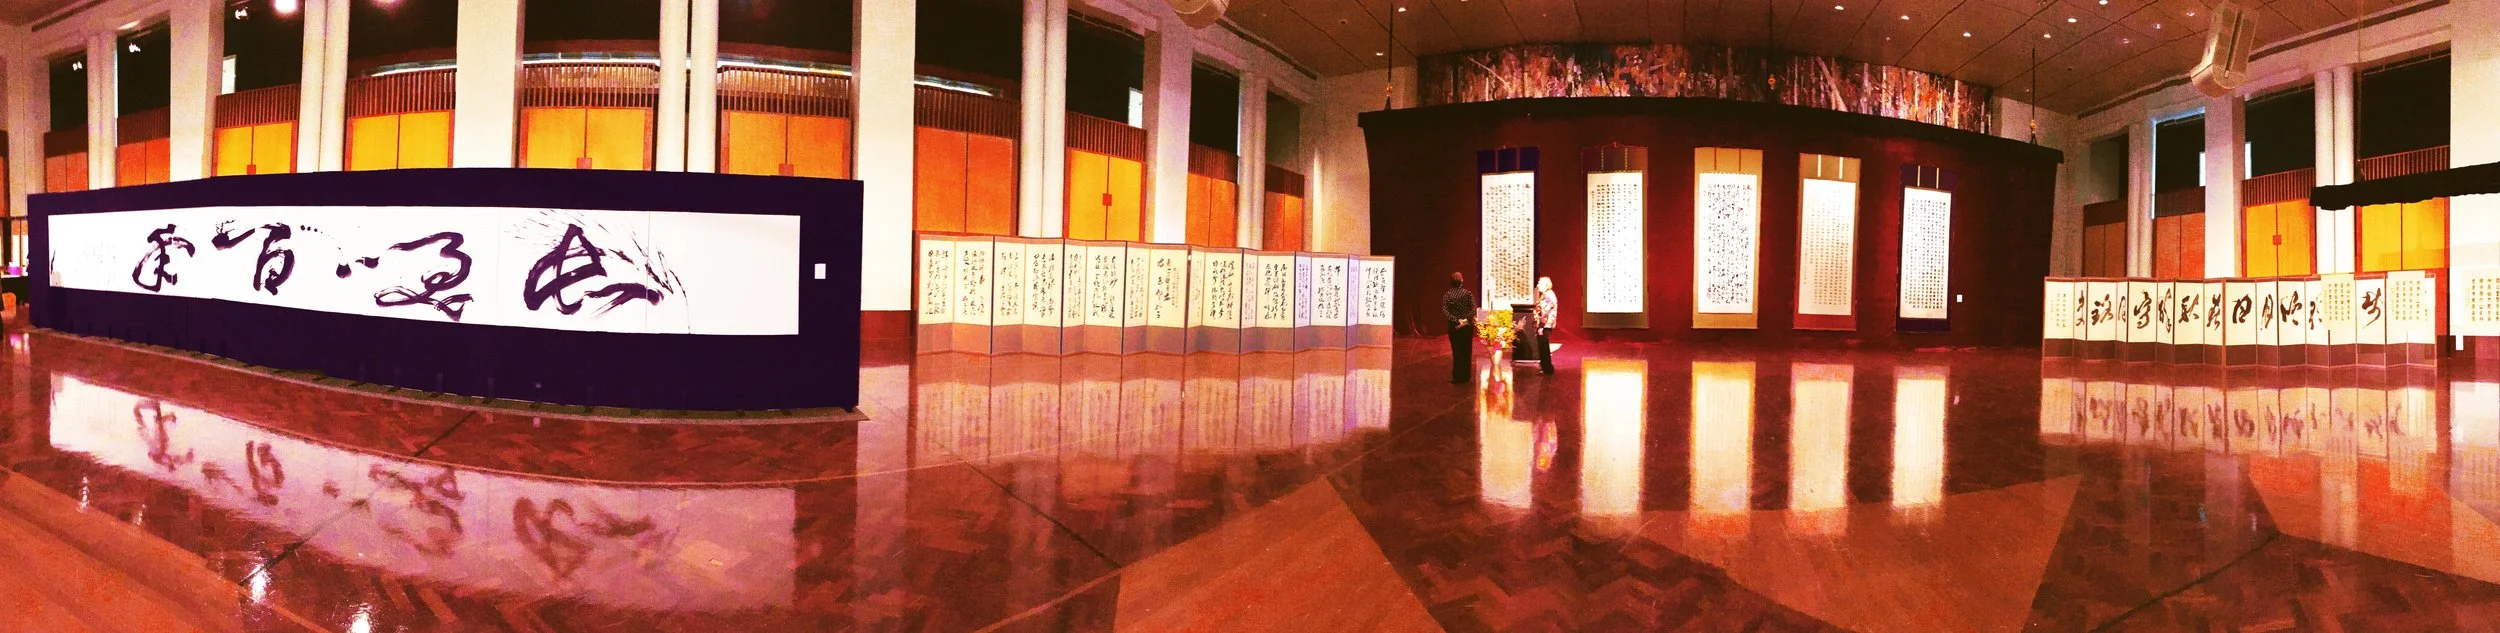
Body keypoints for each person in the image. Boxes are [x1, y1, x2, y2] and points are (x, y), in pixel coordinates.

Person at [1443, 272, 1476, 384]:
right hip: (1467, 326)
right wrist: (1465, 319)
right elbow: (1473, 309)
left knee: (1456, 351)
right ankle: (1466, 376)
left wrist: (1456, 320)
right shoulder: (1468, 294)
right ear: (1462, 281)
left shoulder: (1448, 295)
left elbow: (1445, 311)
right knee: (1466, 351)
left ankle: (1457, 376)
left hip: (1454, 326)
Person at [1533, 276, 1557, 375]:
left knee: (1544, 347)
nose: (1538, 285)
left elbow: (1545, 312)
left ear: (1546, 285)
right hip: (1544, 324)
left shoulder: (1548, 296)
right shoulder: (1546, 294)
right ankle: (1546, 367)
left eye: (1540, 283)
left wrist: (1541, 326)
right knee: (1543, 346)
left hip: (1545, 324)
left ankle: (1547, 368)